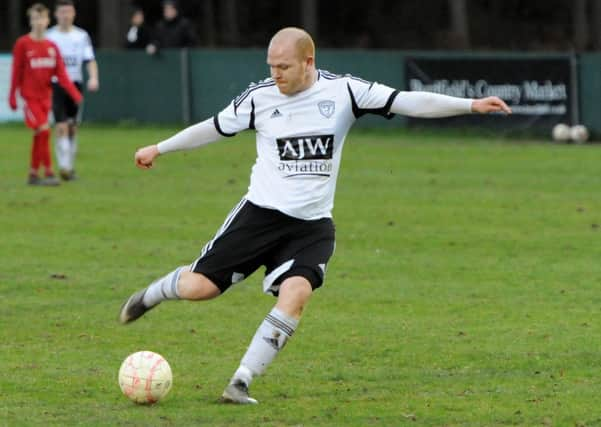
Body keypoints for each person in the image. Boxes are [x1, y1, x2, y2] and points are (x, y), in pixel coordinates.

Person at [119, 27, 511, 404]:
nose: (276, 75)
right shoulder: (259, 98)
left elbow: (407, 100)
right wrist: (160, 147)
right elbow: (214, 128)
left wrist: (470, 105)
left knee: (297, 293)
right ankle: (154, 292)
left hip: (311, 225)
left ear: (309, 62)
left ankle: (241, 381)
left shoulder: (344, 91)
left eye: (284, 67)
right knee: (198, 289)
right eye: (271, 66)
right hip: (260, 216)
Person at [8, 3, 82, 186]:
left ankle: (33, 173)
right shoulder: (23, 44)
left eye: (42, 18)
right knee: (44, 130)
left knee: (40, 134)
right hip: (30, 97)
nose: (39, 22)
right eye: (35, 18)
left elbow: (61, 74)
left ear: (48, 20)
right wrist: (12, 95)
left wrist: (74, 93)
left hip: (45, 98)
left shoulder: (51, 46)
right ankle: (48, 172)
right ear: (30, 21)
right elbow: (16, 71)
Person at [46, 0, 99, 181]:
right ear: (56, 14)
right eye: (62, 12)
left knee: (72, 127)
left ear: (74, 14)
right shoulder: (49, 36)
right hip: (55, 85)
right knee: (60, 126)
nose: (65, 15)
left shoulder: (81, 36)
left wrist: (93, 77)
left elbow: (90, 59)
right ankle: (64, 166)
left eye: (68, 12)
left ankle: (69, 165)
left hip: (75, 84)